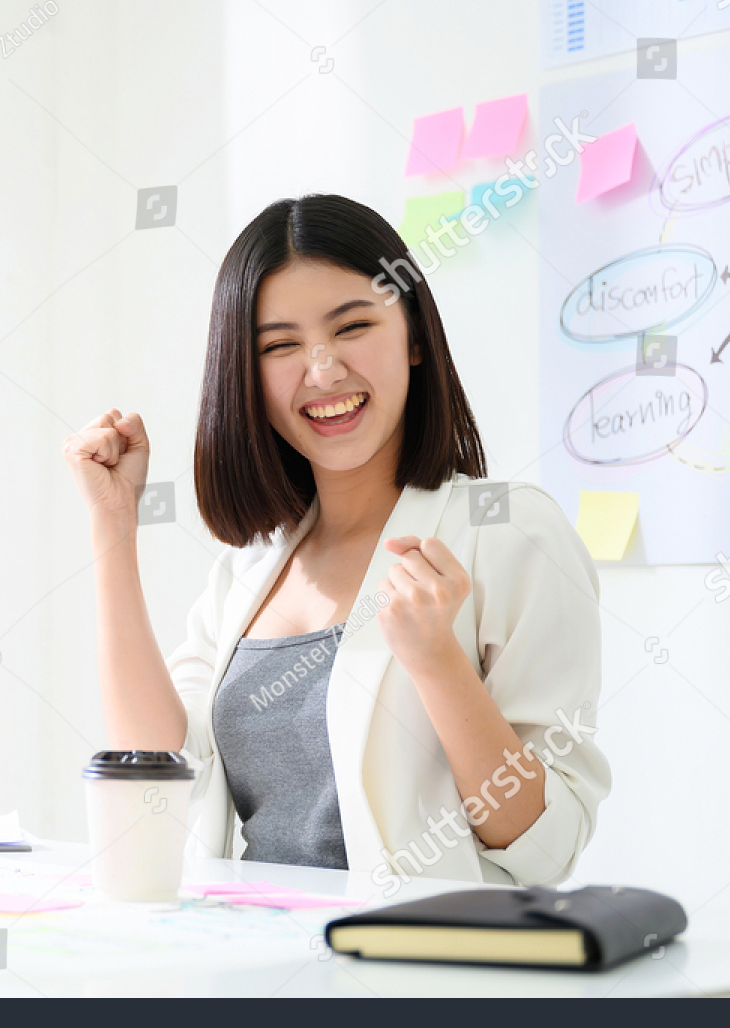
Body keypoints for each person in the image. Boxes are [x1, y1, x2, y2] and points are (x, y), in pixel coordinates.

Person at [61, 194, 609, 890]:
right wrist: (113, 524)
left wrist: (439, 665)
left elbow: (544, 846)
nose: (321, 372)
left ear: (413, 337)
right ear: (247, 379)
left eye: (352, 327)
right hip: (252, 967)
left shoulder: (511, 532)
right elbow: (156, 770)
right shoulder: (252, 568)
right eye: (280, 345)